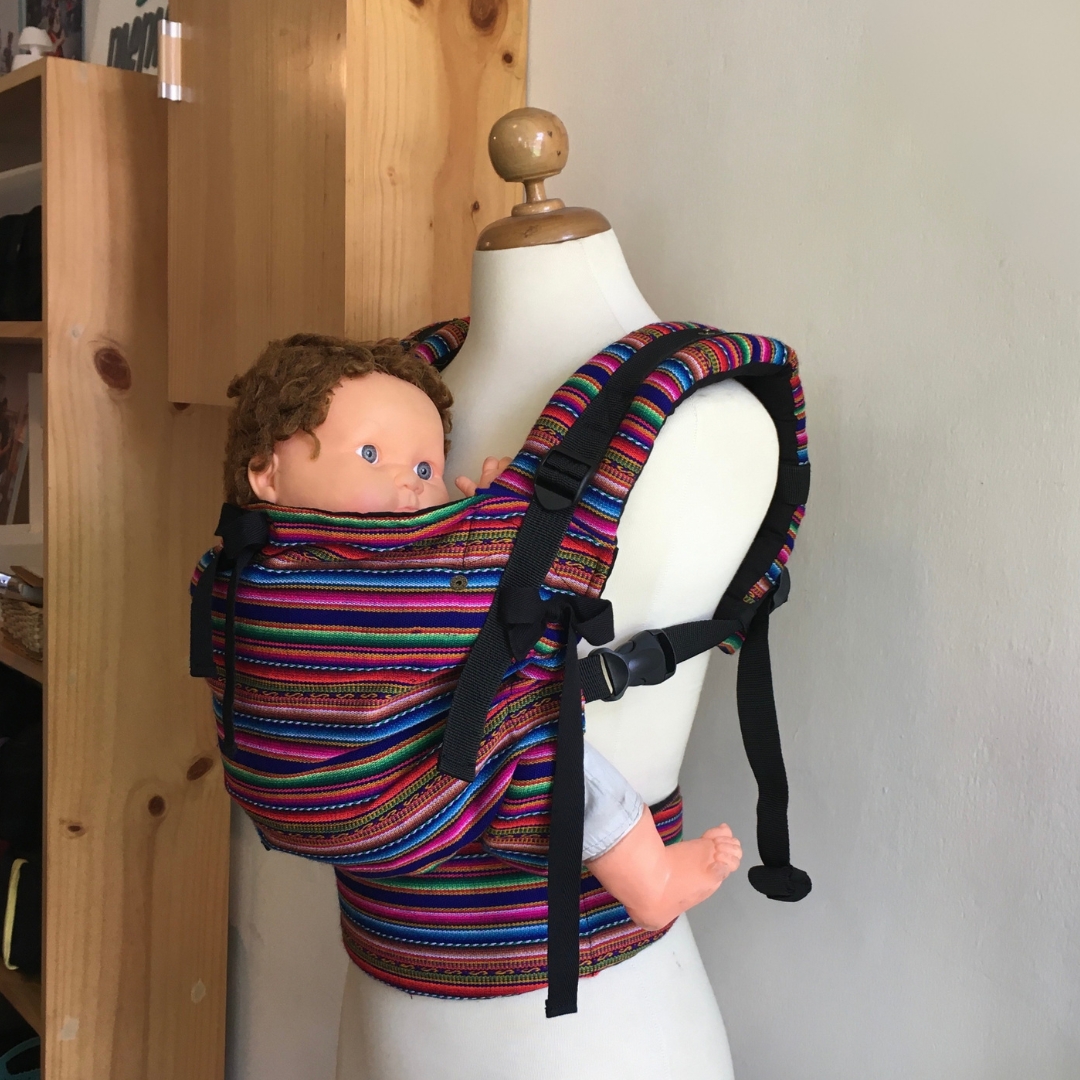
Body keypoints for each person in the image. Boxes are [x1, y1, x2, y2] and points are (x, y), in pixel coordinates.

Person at [224, 331, 743, 932]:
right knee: (534, 718)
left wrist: (470, 519)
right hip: (398, 810)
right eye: (370, 454)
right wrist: (501, 525)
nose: (410, 482)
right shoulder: (306, 585)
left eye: (426, 468)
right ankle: (650, 880)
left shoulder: (234, 571)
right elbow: (482, 589)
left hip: (278, 801)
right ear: (265, 473)